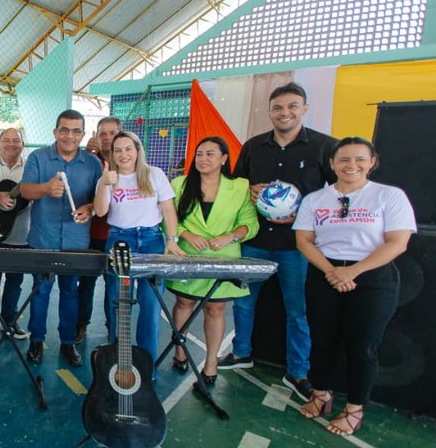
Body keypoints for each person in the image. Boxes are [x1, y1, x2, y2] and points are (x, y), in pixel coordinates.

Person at [223, 82, 337, 401]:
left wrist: (303, 213)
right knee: (243, 302)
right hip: (256, 240)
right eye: (278, 107)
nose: (284, 112)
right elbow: (236, 185)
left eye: (292, 106)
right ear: (269, 111)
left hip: (298, 245)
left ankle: (297, 371)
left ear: (304, 109)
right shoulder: (253, 146)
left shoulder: (324, 147)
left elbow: (337, 193)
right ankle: (241, 353)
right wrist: (249, 190)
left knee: (297, 310)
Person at [295, 137, 415, 436]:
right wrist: (333, 272)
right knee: (322, 341)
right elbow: (304, 241)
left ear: (372, 162)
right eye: (344, 159)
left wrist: (354, 271)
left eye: (360, 159)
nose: (352, 165)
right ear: (332, 163)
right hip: (325, 274)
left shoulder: (389, 196)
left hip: (373, 278)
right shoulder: (315, 200)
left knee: (362, 347)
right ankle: (320, 394)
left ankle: (354, 408)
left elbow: (397, 243)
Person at [166, 137, 259, 385]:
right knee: (184, 302)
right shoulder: (180, 184)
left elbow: (250, 223)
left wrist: (231, 236)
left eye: (210, 154)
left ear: (224, 158)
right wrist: (187, 235)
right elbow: (168, 218)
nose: (203, 159)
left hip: (224, 257)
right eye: (199, 154)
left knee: (215, 309)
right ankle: (180, 350)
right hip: (187, 254)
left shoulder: (240, 186)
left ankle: (211, 362)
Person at [93, 130, 185, 368]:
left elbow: (168, 209)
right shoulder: (109, 178)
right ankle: (116, 363)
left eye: (128, 149)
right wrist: (104, 183)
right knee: (118, 303)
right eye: (118, 150)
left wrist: (171, 239)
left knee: (150, 305)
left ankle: (147, 366)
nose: (123, 154)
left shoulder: (154, 174)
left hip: (151, 239)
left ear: (137, 150)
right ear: (112, 154)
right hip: (120, 240)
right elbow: (100, 211)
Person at [21, 109, 102, 367]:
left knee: (70, 293)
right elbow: (24, 190)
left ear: (82, 134)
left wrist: (89, 209)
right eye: (64, 130)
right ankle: (36, 340)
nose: (70, 136)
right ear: (55, 132)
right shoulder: (38, 157)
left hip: (76, 241)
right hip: (43, 239)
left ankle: (68, 341)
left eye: (76, 131)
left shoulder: (93, 163)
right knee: (40, 291)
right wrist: (46, 188)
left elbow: (101, 199)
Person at [0, 128, 30, 343]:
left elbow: (35, 190)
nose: (11, 144)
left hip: (21, 235)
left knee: (14, 283)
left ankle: (10, 320)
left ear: (22, 145)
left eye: (16, 140)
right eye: (6, 140)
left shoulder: (30, 168)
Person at [77, 116, 121, 344]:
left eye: (112, 133)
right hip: (91, 234)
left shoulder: (127, 162)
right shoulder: (89, 160)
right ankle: (80, 324)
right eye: (103, 133)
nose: (107, 138)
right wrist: (86, 152)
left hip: (118, 235)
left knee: (114, 286)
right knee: (86, 284)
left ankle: (113, 329)